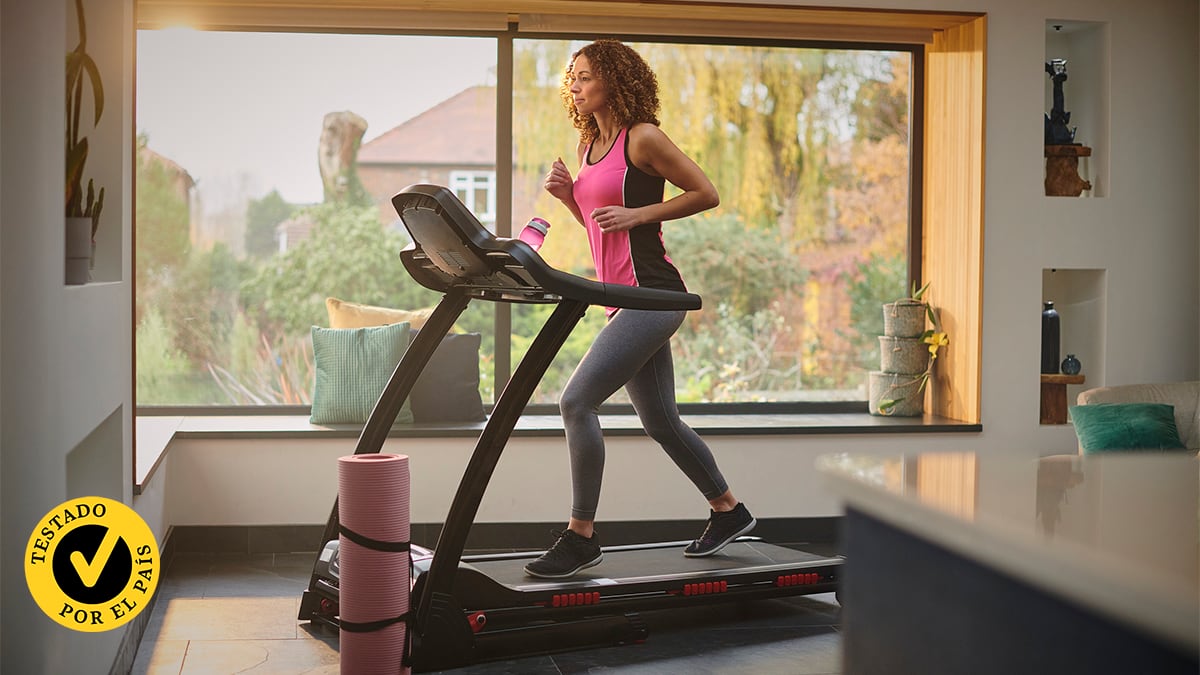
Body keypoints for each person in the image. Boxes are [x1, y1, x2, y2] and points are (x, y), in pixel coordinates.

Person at [524, 39, 756, 579]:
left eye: (584, 76)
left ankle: (580, 536)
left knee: (576, 403)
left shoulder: (642, 138)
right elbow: (601, 230)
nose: (574, 86)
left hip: (652, 294)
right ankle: (729, 511)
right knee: (661, 421)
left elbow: (706, 192)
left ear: (614, 79)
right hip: (620, 298)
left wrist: (641, 213)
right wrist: (567, 198)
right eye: (572, 78)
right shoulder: (588, 145)